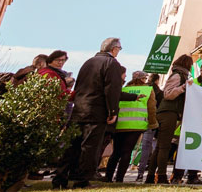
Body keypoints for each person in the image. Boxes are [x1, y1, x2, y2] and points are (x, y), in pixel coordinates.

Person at [52, 38, 125, 190]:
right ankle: (82, 180)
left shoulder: (88, 62)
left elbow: (79, 85)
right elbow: (112, 89)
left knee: (72, 146)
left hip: (79, 108)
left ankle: (60, 178)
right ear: (114, 49)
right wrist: (112, 111)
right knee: (90, 147)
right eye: (119, 48)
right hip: (96, 111)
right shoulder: (112, 64)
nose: (119, 51)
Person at [105, 71, 156, 182]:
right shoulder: (147, 90)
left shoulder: (123, 89)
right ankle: (119, 178)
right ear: (143, 79)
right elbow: (151, 109)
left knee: (116, 152)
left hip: (120, 124)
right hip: (136, 125)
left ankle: (108, 177)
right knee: (127, 151)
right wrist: (152, 124)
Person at [151, 55, 192, 184]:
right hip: (168, 112)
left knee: (159, 147)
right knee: (164, 147)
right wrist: (183, 88)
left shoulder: (181, 75)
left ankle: (151, 176)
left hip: (170, 112)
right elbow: (167, 94)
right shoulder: (177, 76)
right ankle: (161, 176)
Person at [135, 74, 162, 183]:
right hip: (151, 122)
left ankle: (140, 173)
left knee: (143, 147)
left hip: (136, 119)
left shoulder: (143, 89)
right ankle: (148, 172)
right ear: (157, 80)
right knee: (150, 147)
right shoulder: (158, 92)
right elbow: (155, 108)